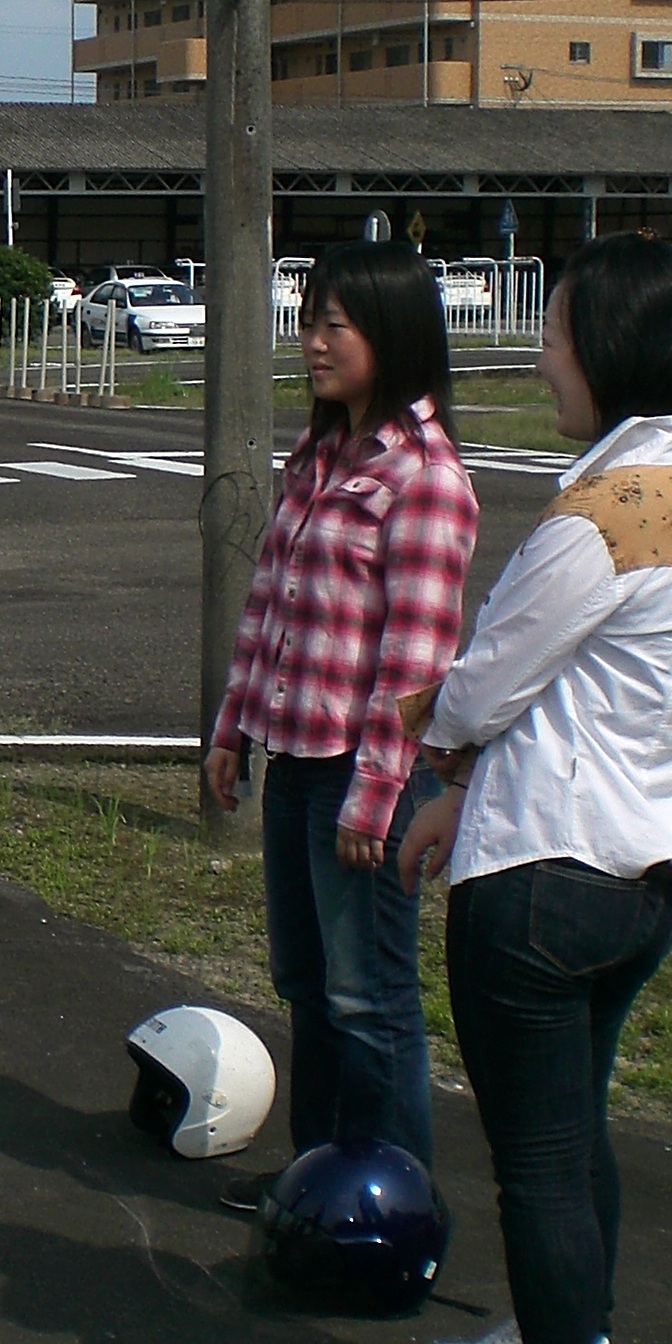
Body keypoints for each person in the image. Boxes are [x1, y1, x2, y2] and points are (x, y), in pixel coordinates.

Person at [397, 235, 672, 1344]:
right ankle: (562, 1342)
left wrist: (431, 742)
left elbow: (483, 684)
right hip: (645, 865)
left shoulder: (600, 518)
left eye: (552, 337)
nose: (542, 361)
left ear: (608, 349)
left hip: (541, 872)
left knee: (537, 1158)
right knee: (571, 1130)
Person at [203, 243, 478, 1209]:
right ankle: (317, 1183)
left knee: (372, 999)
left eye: (336, 325)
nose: (313, 343)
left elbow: (417, 663)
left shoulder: (425, 477)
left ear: (391, 336)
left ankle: (395, 1203)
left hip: (369, 778)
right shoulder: (320, 457)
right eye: (308, 320)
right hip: (298, 759)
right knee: (308, 984)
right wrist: (232, 728)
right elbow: (267, 607)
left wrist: (375, 796)